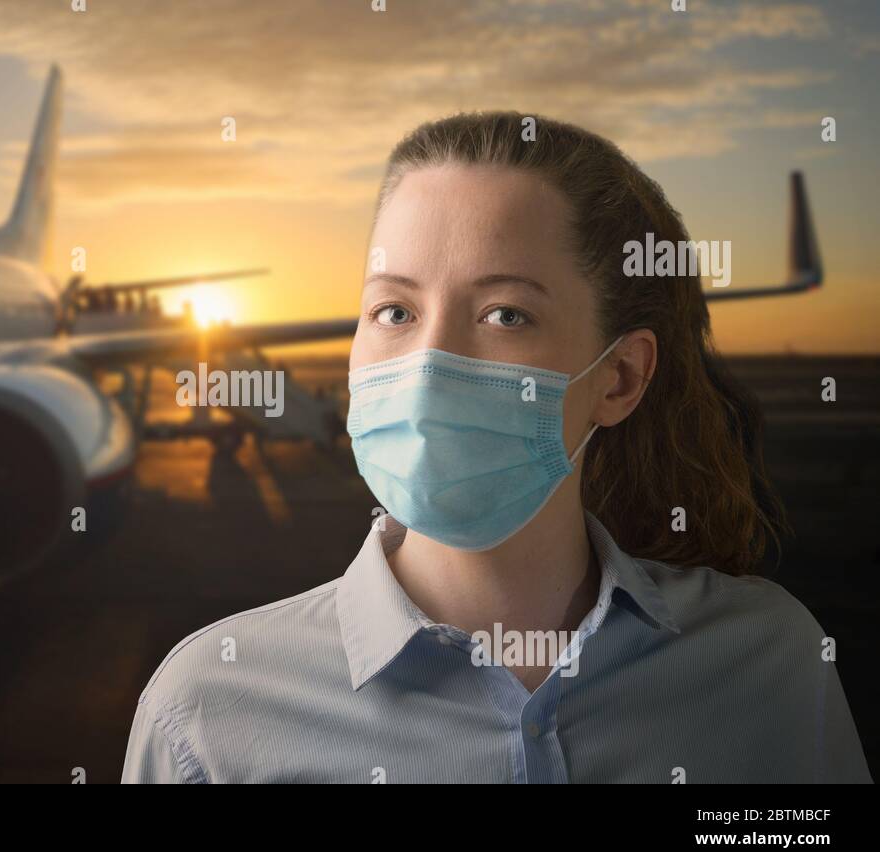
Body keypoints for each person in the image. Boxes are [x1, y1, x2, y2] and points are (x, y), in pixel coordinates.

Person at [120, 111, 872, 783]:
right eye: (394, 311)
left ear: (619, 378)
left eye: (506, 314)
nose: (429, 364)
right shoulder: (203, 718)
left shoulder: (769, 664)